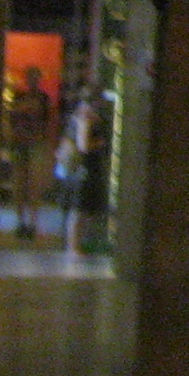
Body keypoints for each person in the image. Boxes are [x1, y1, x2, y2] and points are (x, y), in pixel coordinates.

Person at [7, 69, 58, 240]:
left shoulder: (43, 99)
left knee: (34, 185)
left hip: (36, 143)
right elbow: (12, 119)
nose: (32, 81)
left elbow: (48, 121)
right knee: (19, 184)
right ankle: (20, 222)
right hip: (20, 144)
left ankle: (33, 222)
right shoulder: (19, 96)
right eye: (30, 78)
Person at [64, 89, 110, 253]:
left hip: (79, 169)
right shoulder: (86, 118)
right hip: (86, 168)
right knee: (80, 209)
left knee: (81, 209)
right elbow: (83, 145)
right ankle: (74, 246)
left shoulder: (77, 115)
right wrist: (100, 143)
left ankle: (75, 245)